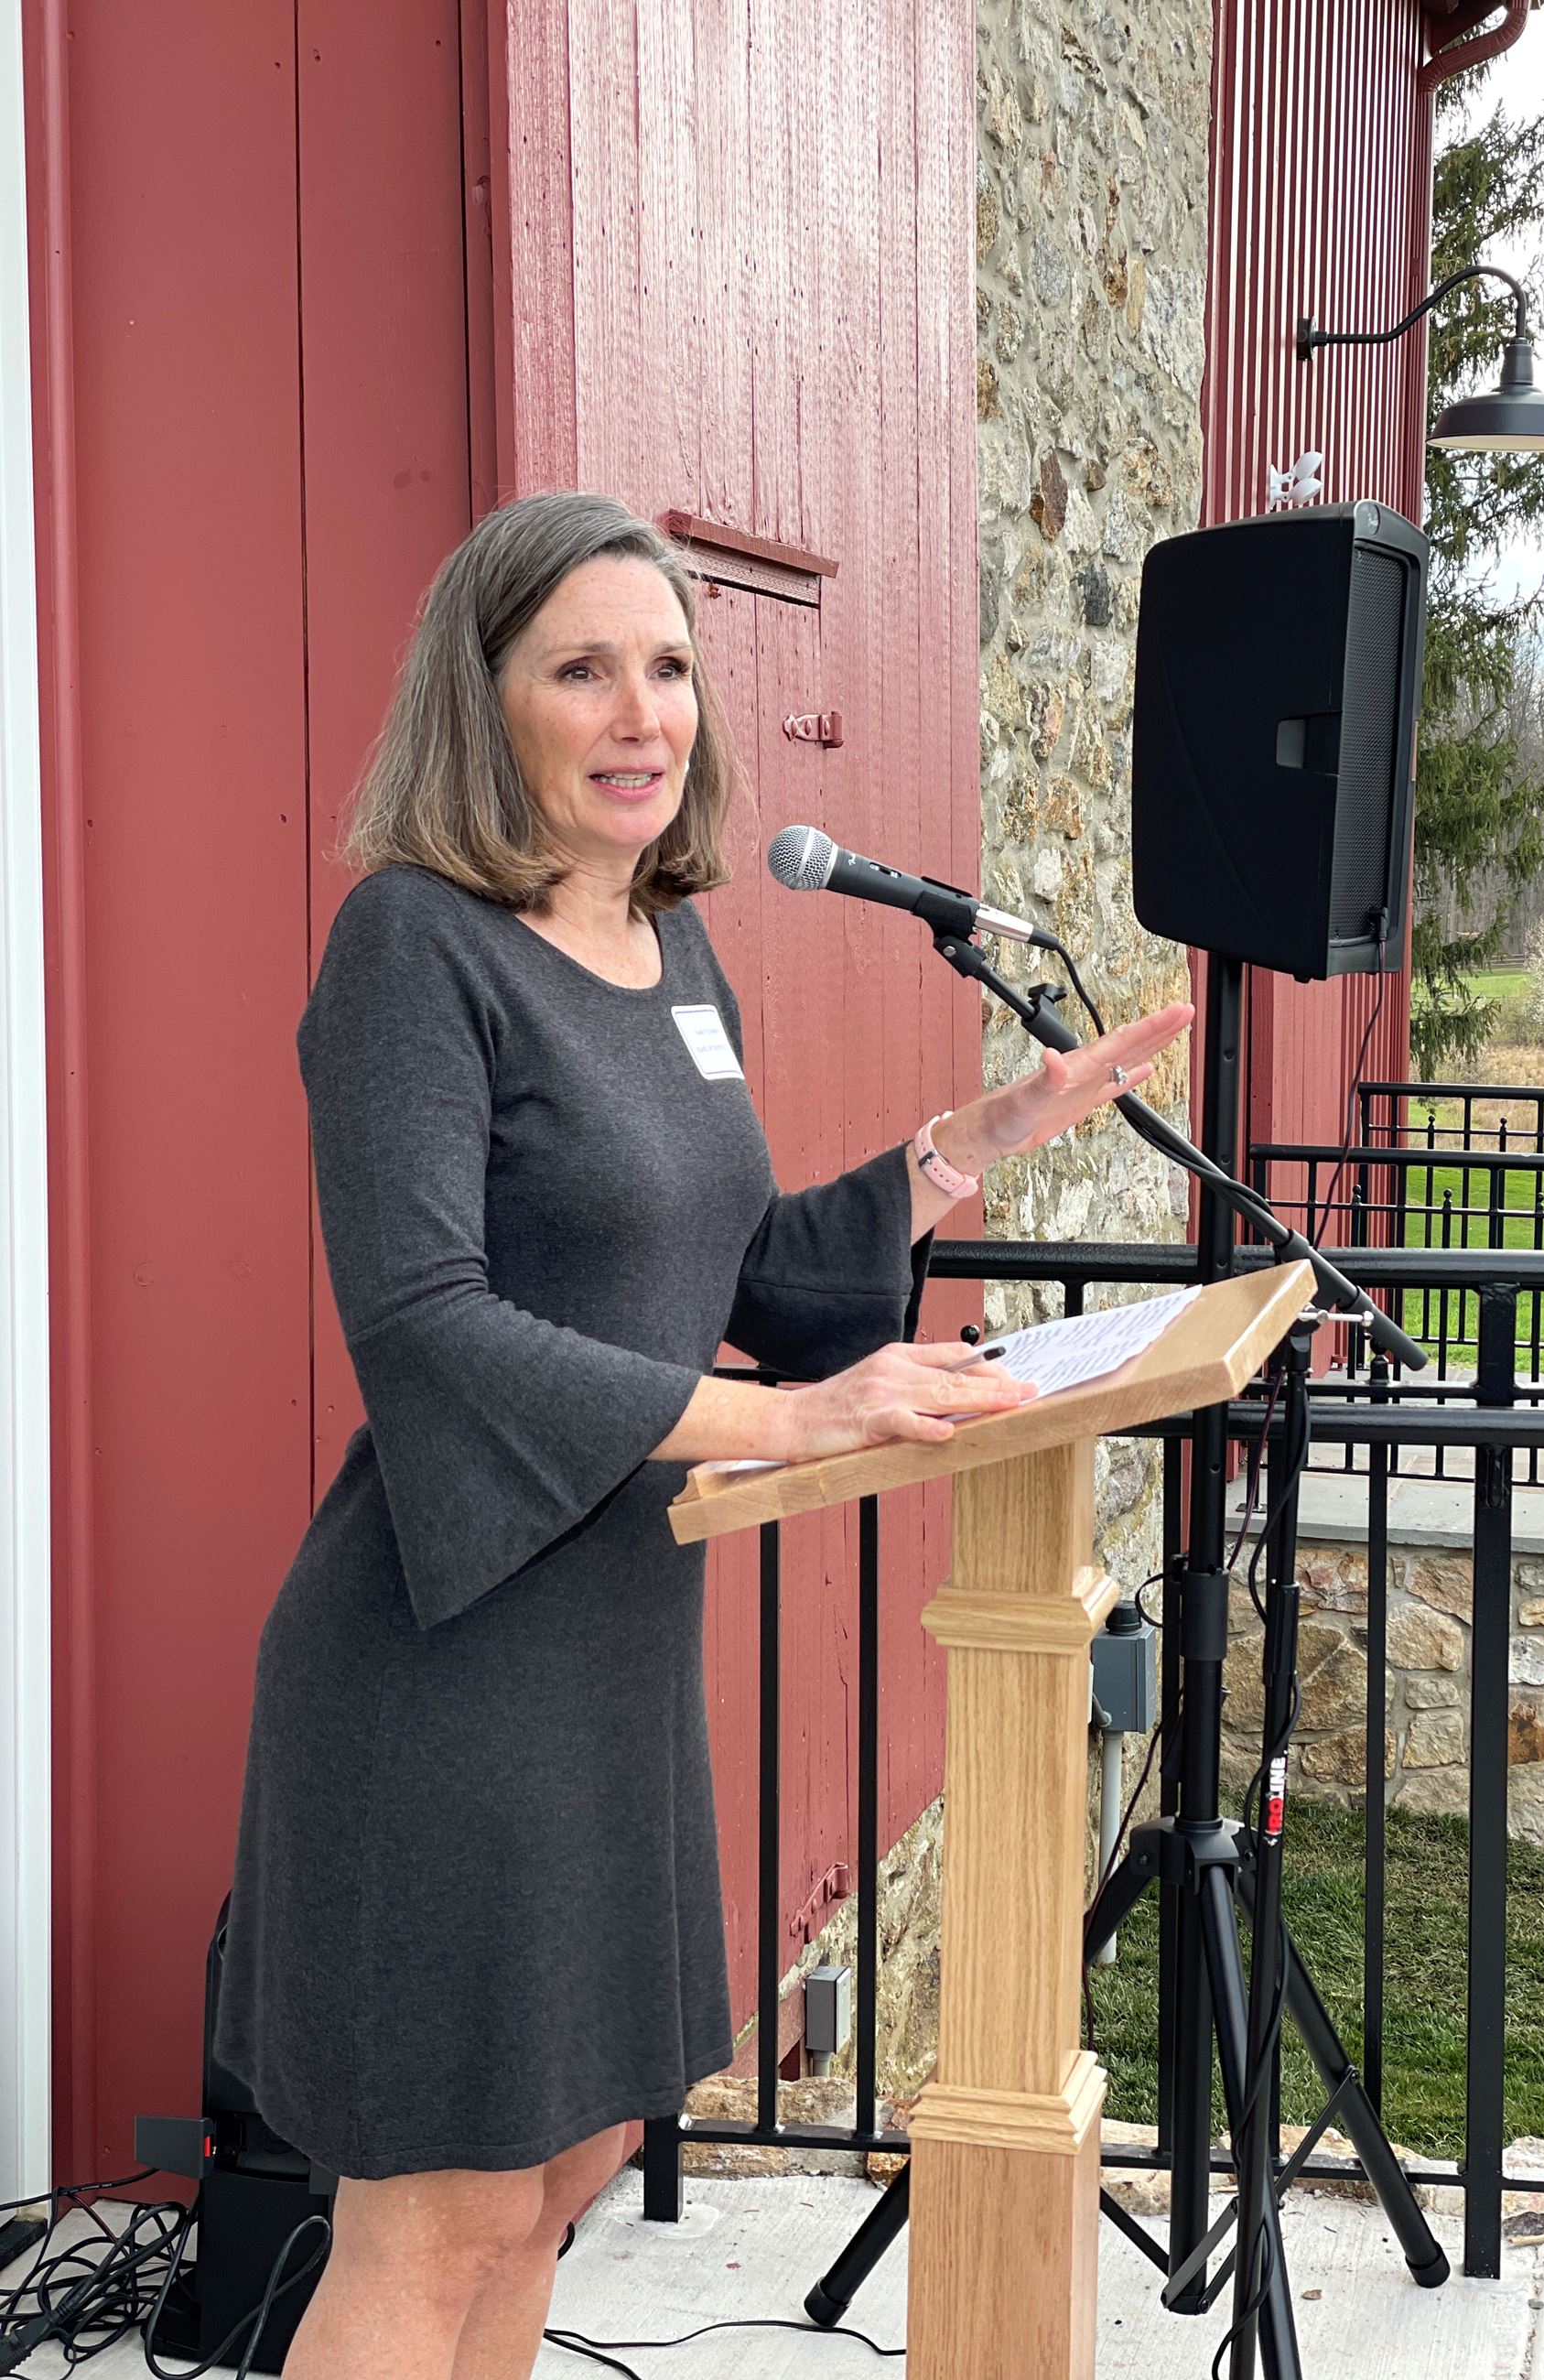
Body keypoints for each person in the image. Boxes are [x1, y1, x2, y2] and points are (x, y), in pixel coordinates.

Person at [214, 490, 1193, 2379]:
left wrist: (956, 1152)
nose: (641, 710)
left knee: (561, 2163)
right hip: (442, 1654)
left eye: (667, 666)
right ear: (480, 700)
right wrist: (789, 1414)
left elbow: (725, 1261)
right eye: (582, 668)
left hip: (607, 1653)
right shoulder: (411, 950)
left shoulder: (669, 948)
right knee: (438, 2213)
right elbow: (430, 1327)